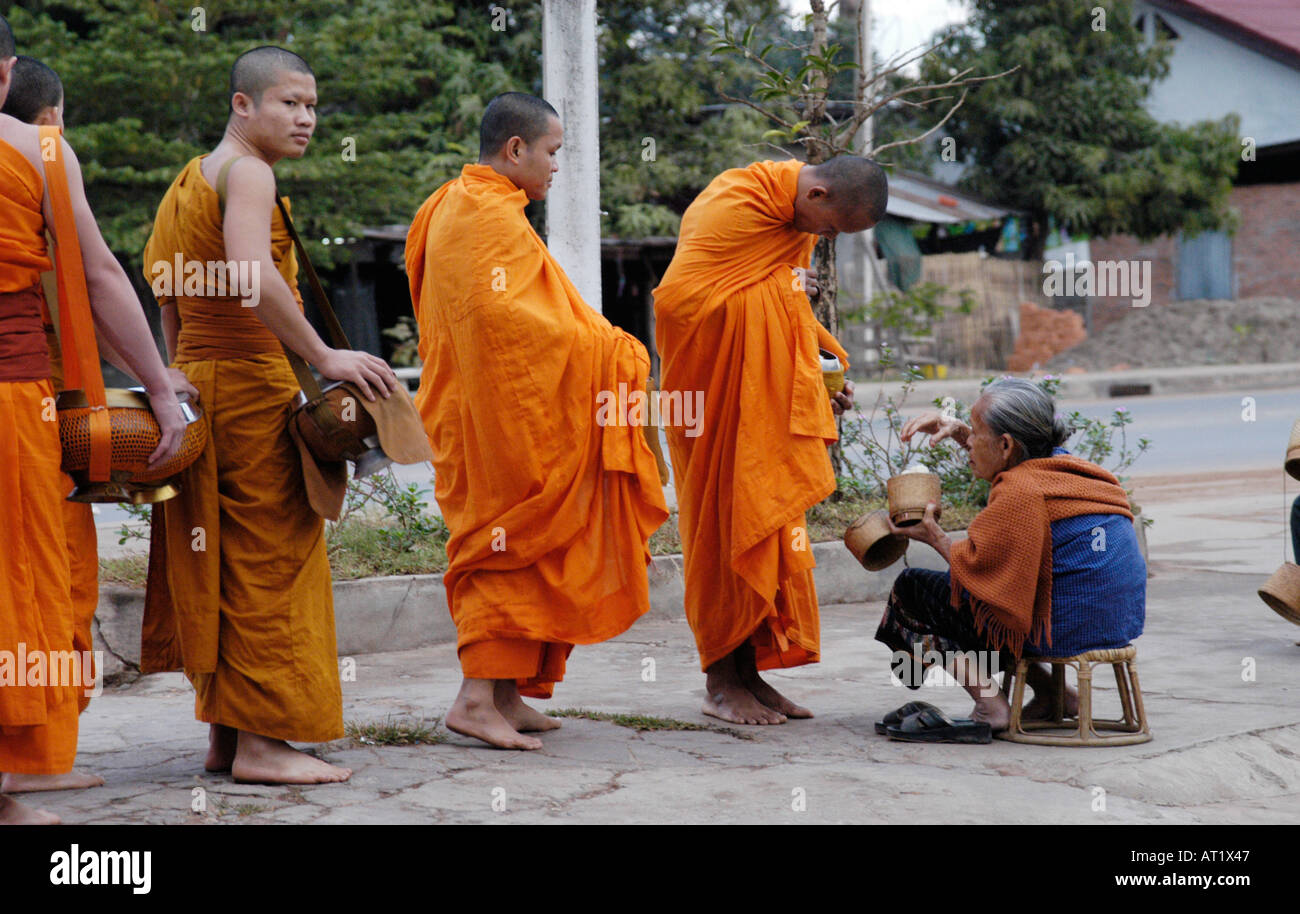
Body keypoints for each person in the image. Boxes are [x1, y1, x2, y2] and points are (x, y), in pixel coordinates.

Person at [140, 46, 398, 784]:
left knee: (222, 557)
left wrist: (177, 373)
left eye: (313, 106)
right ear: (243, 105)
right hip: (251, 384)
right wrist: (322, 355)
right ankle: (263, 746)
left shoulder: (190, 178)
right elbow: (253, 275)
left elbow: (164, 284)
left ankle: (227, 738)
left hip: (206, 385)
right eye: (290, 103)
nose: (307, 118)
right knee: (274, 560)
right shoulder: (250, 173)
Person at [406, 92, 669, 750]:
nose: (557, 166)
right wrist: (613, 351)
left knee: (532, 550)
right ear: (515, 149)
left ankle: (505, 692)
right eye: (553, 152)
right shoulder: (480, 213)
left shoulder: (468, 203)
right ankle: (474, 699)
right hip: (500, 426)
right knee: (507, 546)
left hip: (498, 416)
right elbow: (508, 326)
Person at [0, 16, 186, 823]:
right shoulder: (36, 149)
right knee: (20, 577)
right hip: (12, 397)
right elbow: (101, 276)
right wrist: (159, 387)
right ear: (6, 70)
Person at [653, 155, 887, 725]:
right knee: (723, 532)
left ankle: (750, 675)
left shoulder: (792, 223)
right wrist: (781, 291)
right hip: (714, 404)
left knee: (768, 527)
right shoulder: (734, 202)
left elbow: (783, 315)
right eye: (831, 228)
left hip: (761, 413)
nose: (826, 240)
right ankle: (719, 681)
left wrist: (818, 374)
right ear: (819, 195)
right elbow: (680, 302)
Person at [877, 377, 1146, 740]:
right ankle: (1056, 694)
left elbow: (979, 569)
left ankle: (991, 704)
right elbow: (1008, 469)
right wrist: (960, 431)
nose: (968, 441)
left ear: (1006, 444)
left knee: (913, 590)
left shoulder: (1020, 491)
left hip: (1058, 630)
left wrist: (934, 537)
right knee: (1007, 600)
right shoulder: (1078, 472)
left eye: (974, 432)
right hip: (1114, 623)